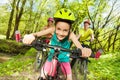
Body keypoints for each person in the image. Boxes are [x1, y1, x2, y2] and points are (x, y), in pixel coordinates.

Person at [22, 8, 92, 80]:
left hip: (64, 58)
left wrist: (84, 50)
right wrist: (31, 36)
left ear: (69, 29)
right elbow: (37, 34)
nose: (61, 33)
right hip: (51, 56)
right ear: (55, 27)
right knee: (42, 76)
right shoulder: (52, 29)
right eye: (58, 29)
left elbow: (79, 46)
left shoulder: (71, 34)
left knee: (69, 78)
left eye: (65, 30)